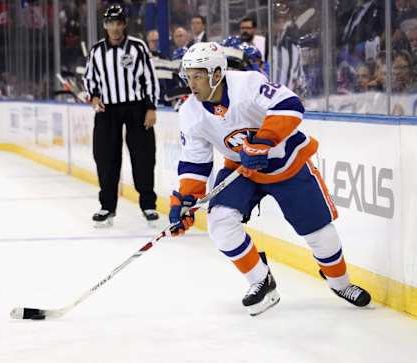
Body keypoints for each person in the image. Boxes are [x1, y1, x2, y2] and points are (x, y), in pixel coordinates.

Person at [169, 42, 371, 316]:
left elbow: (290, 104)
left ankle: (340, 282)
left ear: (216, 74)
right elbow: (195, 160)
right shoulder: (190, 112)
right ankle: (260, 281)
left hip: (286, 162)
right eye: (188, 76)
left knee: (321, 235)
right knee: (220, 223)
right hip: (242, 169)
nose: (191, 84)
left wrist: (263, 141)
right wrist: (186, 200)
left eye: (197, 76)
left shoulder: (248, 84)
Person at [83, 4, 160, 227]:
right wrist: (93, 96)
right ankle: (107, 206)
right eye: (110, 23)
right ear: (105, 25)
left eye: (118, 23)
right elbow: (90, 79)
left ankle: (148, 205)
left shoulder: (138, 47)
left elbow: (149, 78)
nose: (114, 28)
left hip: (136, 108)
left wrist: (151, 107)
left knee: (144, 157)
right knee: (105, 158)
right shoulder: (97, 50)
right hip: (107, 110)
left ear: (124, 24)